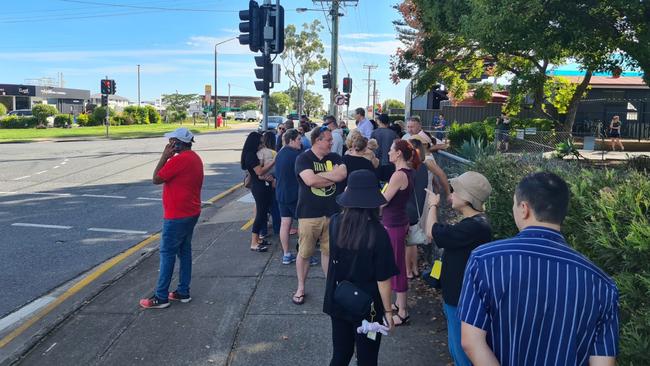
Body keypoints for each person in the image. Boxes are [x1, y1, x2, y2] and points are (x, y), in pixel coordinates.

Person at [459, 172, 619, 366]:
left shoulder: (485, 259)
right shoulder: (602, 284)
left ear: (524, 208)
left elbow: (471, 342)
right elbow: (604, 362)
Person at [323, 170, 398, 366]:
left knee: (340, 354)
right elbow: (383, 278)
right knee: (367, 359)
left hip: (338, 297)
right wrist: (388, 312)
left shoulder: (335, 222)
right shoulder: (378, 233)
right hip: (368, 308)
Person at [424, 171, 492, 366]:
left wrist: (433, 205)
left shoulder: (473, 228)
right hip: (458, 296)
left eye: (455, 191)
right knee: (458, 348)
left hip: (460, 299)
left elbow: (431, 232)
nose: (451, 195)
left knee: (461, 351)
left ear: (468, 197)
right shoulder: (476, 224)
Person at [140, 128, 204, 309]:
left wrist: (164, 156)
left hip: (177, 215)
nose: (168, 144)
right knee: (184, 252)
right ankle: (183, 291)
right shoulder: (194, 158)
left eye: (171, 141)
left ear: (178, 143)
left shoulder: (179, 160)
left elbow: (156, 178)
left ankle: (161, 297)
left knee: (167, 253)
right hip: (191, 212)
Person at [293, 127, 347, 305]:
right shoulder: (304, 158)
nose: (332, 142)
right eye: (329, 140)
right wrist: (332, 177)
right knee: (305, 252)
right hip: (309, 214)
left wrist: (320, 176)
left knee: (329, 252)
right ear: (317, 140)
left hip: (333, 213)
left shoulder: (336, 157)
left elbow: (343, 174)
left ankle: (330, 287)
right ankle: (301, 287)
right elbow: (310, 181)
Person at [381, 139, 417, 326]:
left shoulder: (399, 175)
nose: (388, 152)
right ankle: (397, 302)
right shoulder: (405, 172)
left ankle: (403, 311)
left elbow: (384, 200)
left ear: (399, 154)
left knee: (397, 267)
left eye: (391, 150)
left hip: (394, 224)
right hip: (397, 222)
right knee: (395, 264)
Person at [241, 132, 274, 252]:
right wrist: (273, 162)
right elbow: (259, 172)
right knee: (260, 213)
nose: (262, 144)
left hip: (261, 184)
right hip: (258, 186)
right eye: (260, 142)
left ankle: (258, 239)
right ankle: (254, 242)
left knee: (263, 212)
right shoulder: (250, 155)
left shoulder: (253, 154)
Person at [275, 129, 302, 265]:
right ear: (291, 140)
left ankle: (286, 253)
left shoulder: (279, 154)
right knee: (303, 224)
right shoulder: (296, 156)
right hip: (295, 195)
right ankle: (302, 254)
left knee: (285, 224)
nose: (300, 142)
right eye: (298, 139)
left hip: (281, 194)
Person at [258, 131, 280, 239]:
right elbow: (277, 169)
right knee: (274, 206)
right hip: (272, 181)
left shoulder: (259, 153)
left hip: (261, 183)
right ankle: (277, 228)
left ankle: (263, 231)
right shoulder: (274, 153)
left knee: (262, 208)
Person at [371, 113, 398, 182]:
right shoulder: (393, 134)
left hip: (377, 162)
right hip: (390, 163)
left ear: (379, 121)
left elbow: (371, 148)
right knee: (388, 184)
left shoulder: (374, 133)